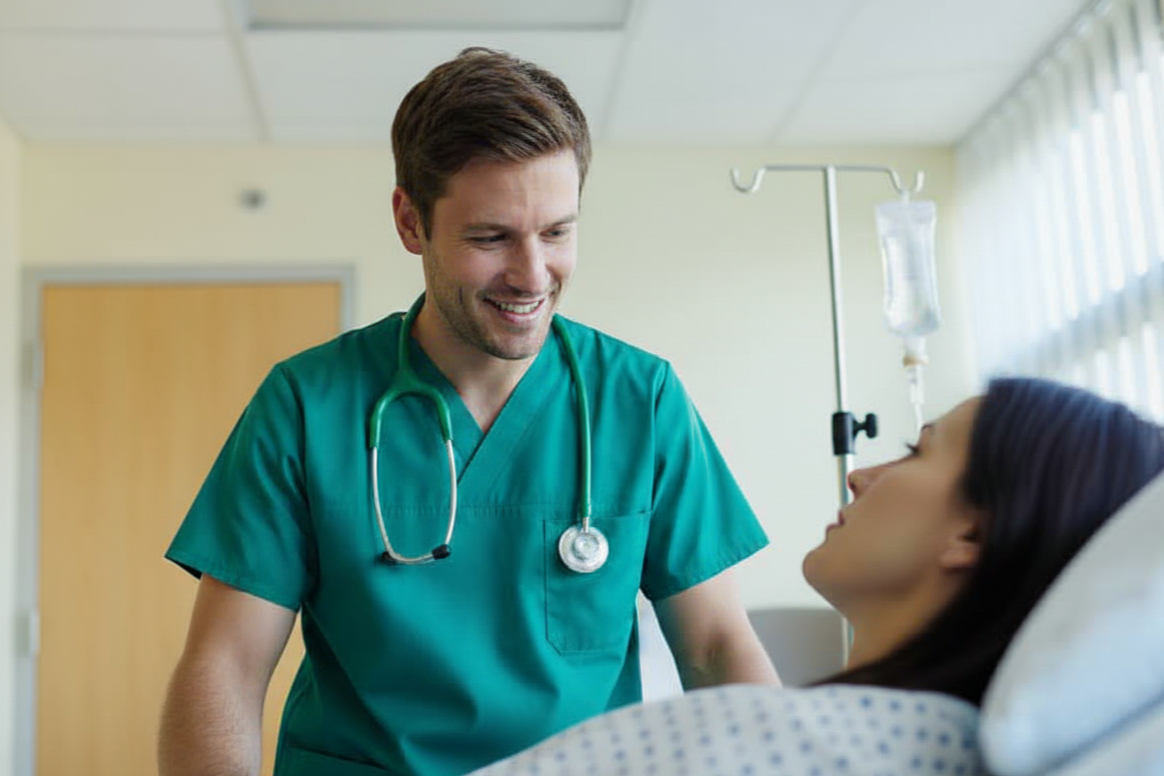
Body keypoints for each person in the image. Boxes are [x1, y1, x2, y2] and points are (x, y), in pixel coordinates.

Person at [157, 47, 779, 776]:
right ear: (410, 222)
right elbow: (226, 667)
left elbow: (716, 647)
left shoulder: (639, 400)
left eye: (557, 232)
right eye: (491, 238)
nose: (532, 275)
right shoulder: (306, 404)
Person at [466, 377, 1164, 775]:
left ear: (974, 533)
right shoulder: (940, 745)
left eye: (916, 452)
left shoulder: (785, 743)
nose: (860, 475)